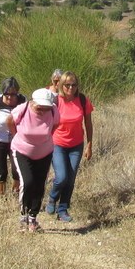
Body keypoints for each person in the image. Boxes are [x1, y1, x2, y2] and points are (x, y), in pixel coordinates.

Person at [8, 88, 60, 233]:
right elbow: (10, 121)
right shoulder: (22, 109)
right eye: (39, 107)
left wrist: (43, 139)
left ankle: (33, 218)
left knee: (39, 185)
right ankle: (23, 216)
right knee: (28, 182)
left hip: (45, 152)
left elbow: (55, 125)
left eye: (46, 108)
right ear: (33, 102)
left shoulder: (54, 111)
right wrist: (18, 136)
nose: (42, 111)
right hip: (22, 151)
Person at [46, 71, 94, 223]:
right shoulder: (55, 101)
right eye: (67, 85)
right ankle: (52, 198)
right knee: (61, 177)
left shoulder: (82, 99)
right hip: (58, 144)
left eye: (74, 85)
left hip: (76, 146)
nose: (71, 88)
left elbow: (88, 123)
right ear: (61, 85)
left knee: (71, 179)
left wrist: (89, 145)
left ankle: (63, 210)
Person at [0, 77, 26, 196]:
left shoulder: (22, 101)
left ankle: (15, 193)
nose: (10, 97)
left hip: (17, 141)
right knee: (1, 171)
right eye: (7, 94)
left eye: (13, 94)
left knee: (17, 169)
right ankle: (1, 196)